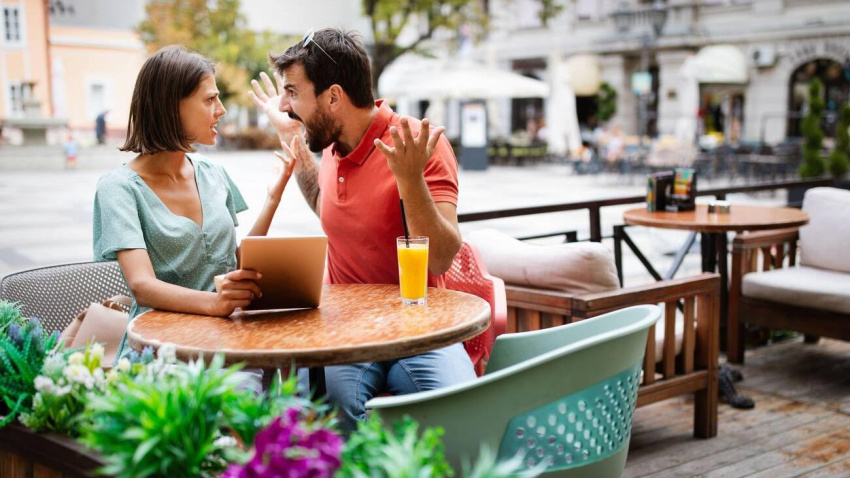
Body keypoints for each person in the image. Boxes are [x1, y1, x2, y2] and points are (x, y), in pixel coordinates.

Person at [250, 28, 475, 433]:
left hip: (420, 329)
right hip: (345, 331)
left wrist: (410, 179)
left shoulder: (415, 144)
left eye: (293, 93)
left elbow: (442, 255)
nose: (284, 106)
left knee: (464, 418)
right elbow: (325, 205)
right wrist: (291, 138)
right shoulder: (332, 146)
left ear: (333, 96)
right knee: (316, 422)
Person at [93, 46, 295, 366]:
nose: (222, 110)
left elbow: (235, 262)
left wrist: (273, 198)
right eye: (210, 99)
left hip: (228, 341)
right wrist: (215, 304)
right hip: (159, 350)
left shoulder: (214, 173)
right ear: (171, 106)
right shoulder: (118, 189)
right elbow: (142, 286)